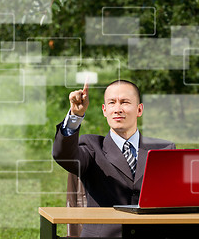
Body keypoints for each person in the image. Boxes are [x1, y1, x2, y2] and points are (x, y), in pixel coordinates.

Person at [52, 80, 176, 238]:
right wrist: (75, 117)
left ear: (139, 109)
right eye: (112, 103)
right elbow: (63, 156)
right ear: (104, 110)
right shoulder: (91, 146)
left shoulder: (164, 149)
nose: (118, 109)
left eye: (125, 102)